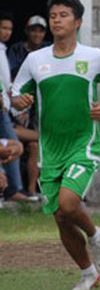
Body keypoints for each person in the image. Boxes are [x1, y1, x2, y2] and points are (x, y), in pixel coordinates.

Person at [12, 0, 100, 290]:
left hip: (83, 144)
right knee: (61, 218)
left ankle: (94, 234)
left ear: (78, 22)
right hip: (50, 150)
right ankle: (88, 273)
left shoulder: (94, 57)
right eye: (53, 16)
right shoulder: (36, 60)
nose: (57, 20)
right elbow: (15, 94)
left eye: (64, 15)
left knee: (68, 203)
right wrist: (19, 100)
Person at [0, 11, 37, 203]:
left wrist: (12, 104)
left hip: (4, 109)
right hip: (3, 110)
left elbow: (6, 86)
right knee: (14, 145)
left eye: (9, 29)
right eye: (3, 28)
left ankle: (14, 189)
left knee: (15, 147)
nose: (7, 32)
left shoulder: (3, 50)